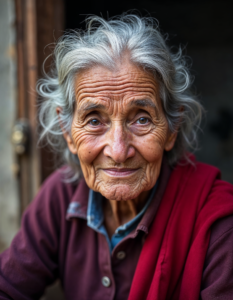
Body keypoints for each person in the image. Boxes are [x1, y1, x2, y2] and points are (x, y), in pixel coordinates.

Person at [0, 14, 233, 300]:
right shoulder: (60, 197)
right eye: (95, 121)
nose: (118, 150)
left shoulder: (218, 225)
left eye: (142, 120)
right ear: (68, 131)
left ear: (171, 130)